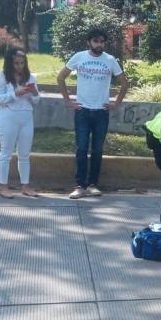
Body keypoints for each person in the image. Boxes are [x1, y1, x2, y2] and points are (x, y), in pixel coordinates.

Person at [57, 28, 129, 200]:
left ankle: (92, 185)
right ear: (89, 42)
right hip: (82, 110)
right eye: (96, 41)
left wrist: (116, 103)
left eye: (102, 41)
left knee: (97, 149)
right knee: (81, 148)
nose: (99, 44)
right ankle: (79, 186)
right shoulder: (79, 57)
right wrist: (68, 101)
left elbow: (125, 84)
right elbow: (61, 78)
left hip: (101, 112)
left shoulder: (110, 60)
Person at [0, 48, 40, 199]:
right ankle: (3, 187)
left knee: (24, 154)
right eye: (16, 63)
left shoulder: (30, 77)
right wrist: (15, 93)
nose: (19, 66)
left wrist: (34, 93)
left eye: (22, 63)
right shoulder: (0, 77)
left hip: (26, 117)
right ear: (9, 63)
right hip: (8, 117)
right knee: (6, 153)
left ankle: (25, 186)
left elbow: (36, 101)